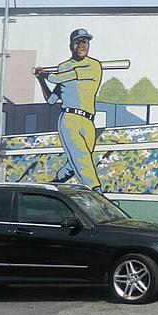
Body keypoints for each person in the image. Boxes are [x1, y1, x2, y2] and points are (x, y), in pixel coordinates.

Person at [34, 28, 104, 193]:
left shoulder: (94, 65)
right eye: (77, 42)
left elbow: (59, 78)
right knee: (81, 158)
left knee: (75, 164)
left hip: (88, 122)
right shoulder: (63, 66)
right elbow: (52, 99)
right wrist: (41, 80)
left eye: (84, 42)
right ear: (71, 45)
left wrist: (46, 75)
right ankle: (98, 193)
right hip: (69, 119)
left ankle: (53, 186)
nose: (82, 46)